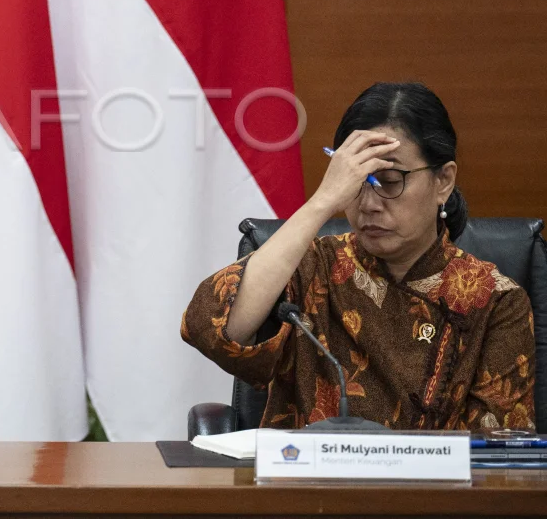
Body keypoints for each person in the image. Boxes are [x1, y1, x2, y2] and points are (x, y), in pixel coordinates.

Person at [182, 82, 535, 431]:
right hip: (305, 469)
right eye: (355, 182)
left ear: (443, 181)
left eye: (389, 181)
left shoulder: (495, 300)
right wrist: (323, 202)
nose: (368, 204)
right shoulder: (314, 266)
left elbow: (498, 451)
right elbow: (210, 329)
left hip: (432, 473)